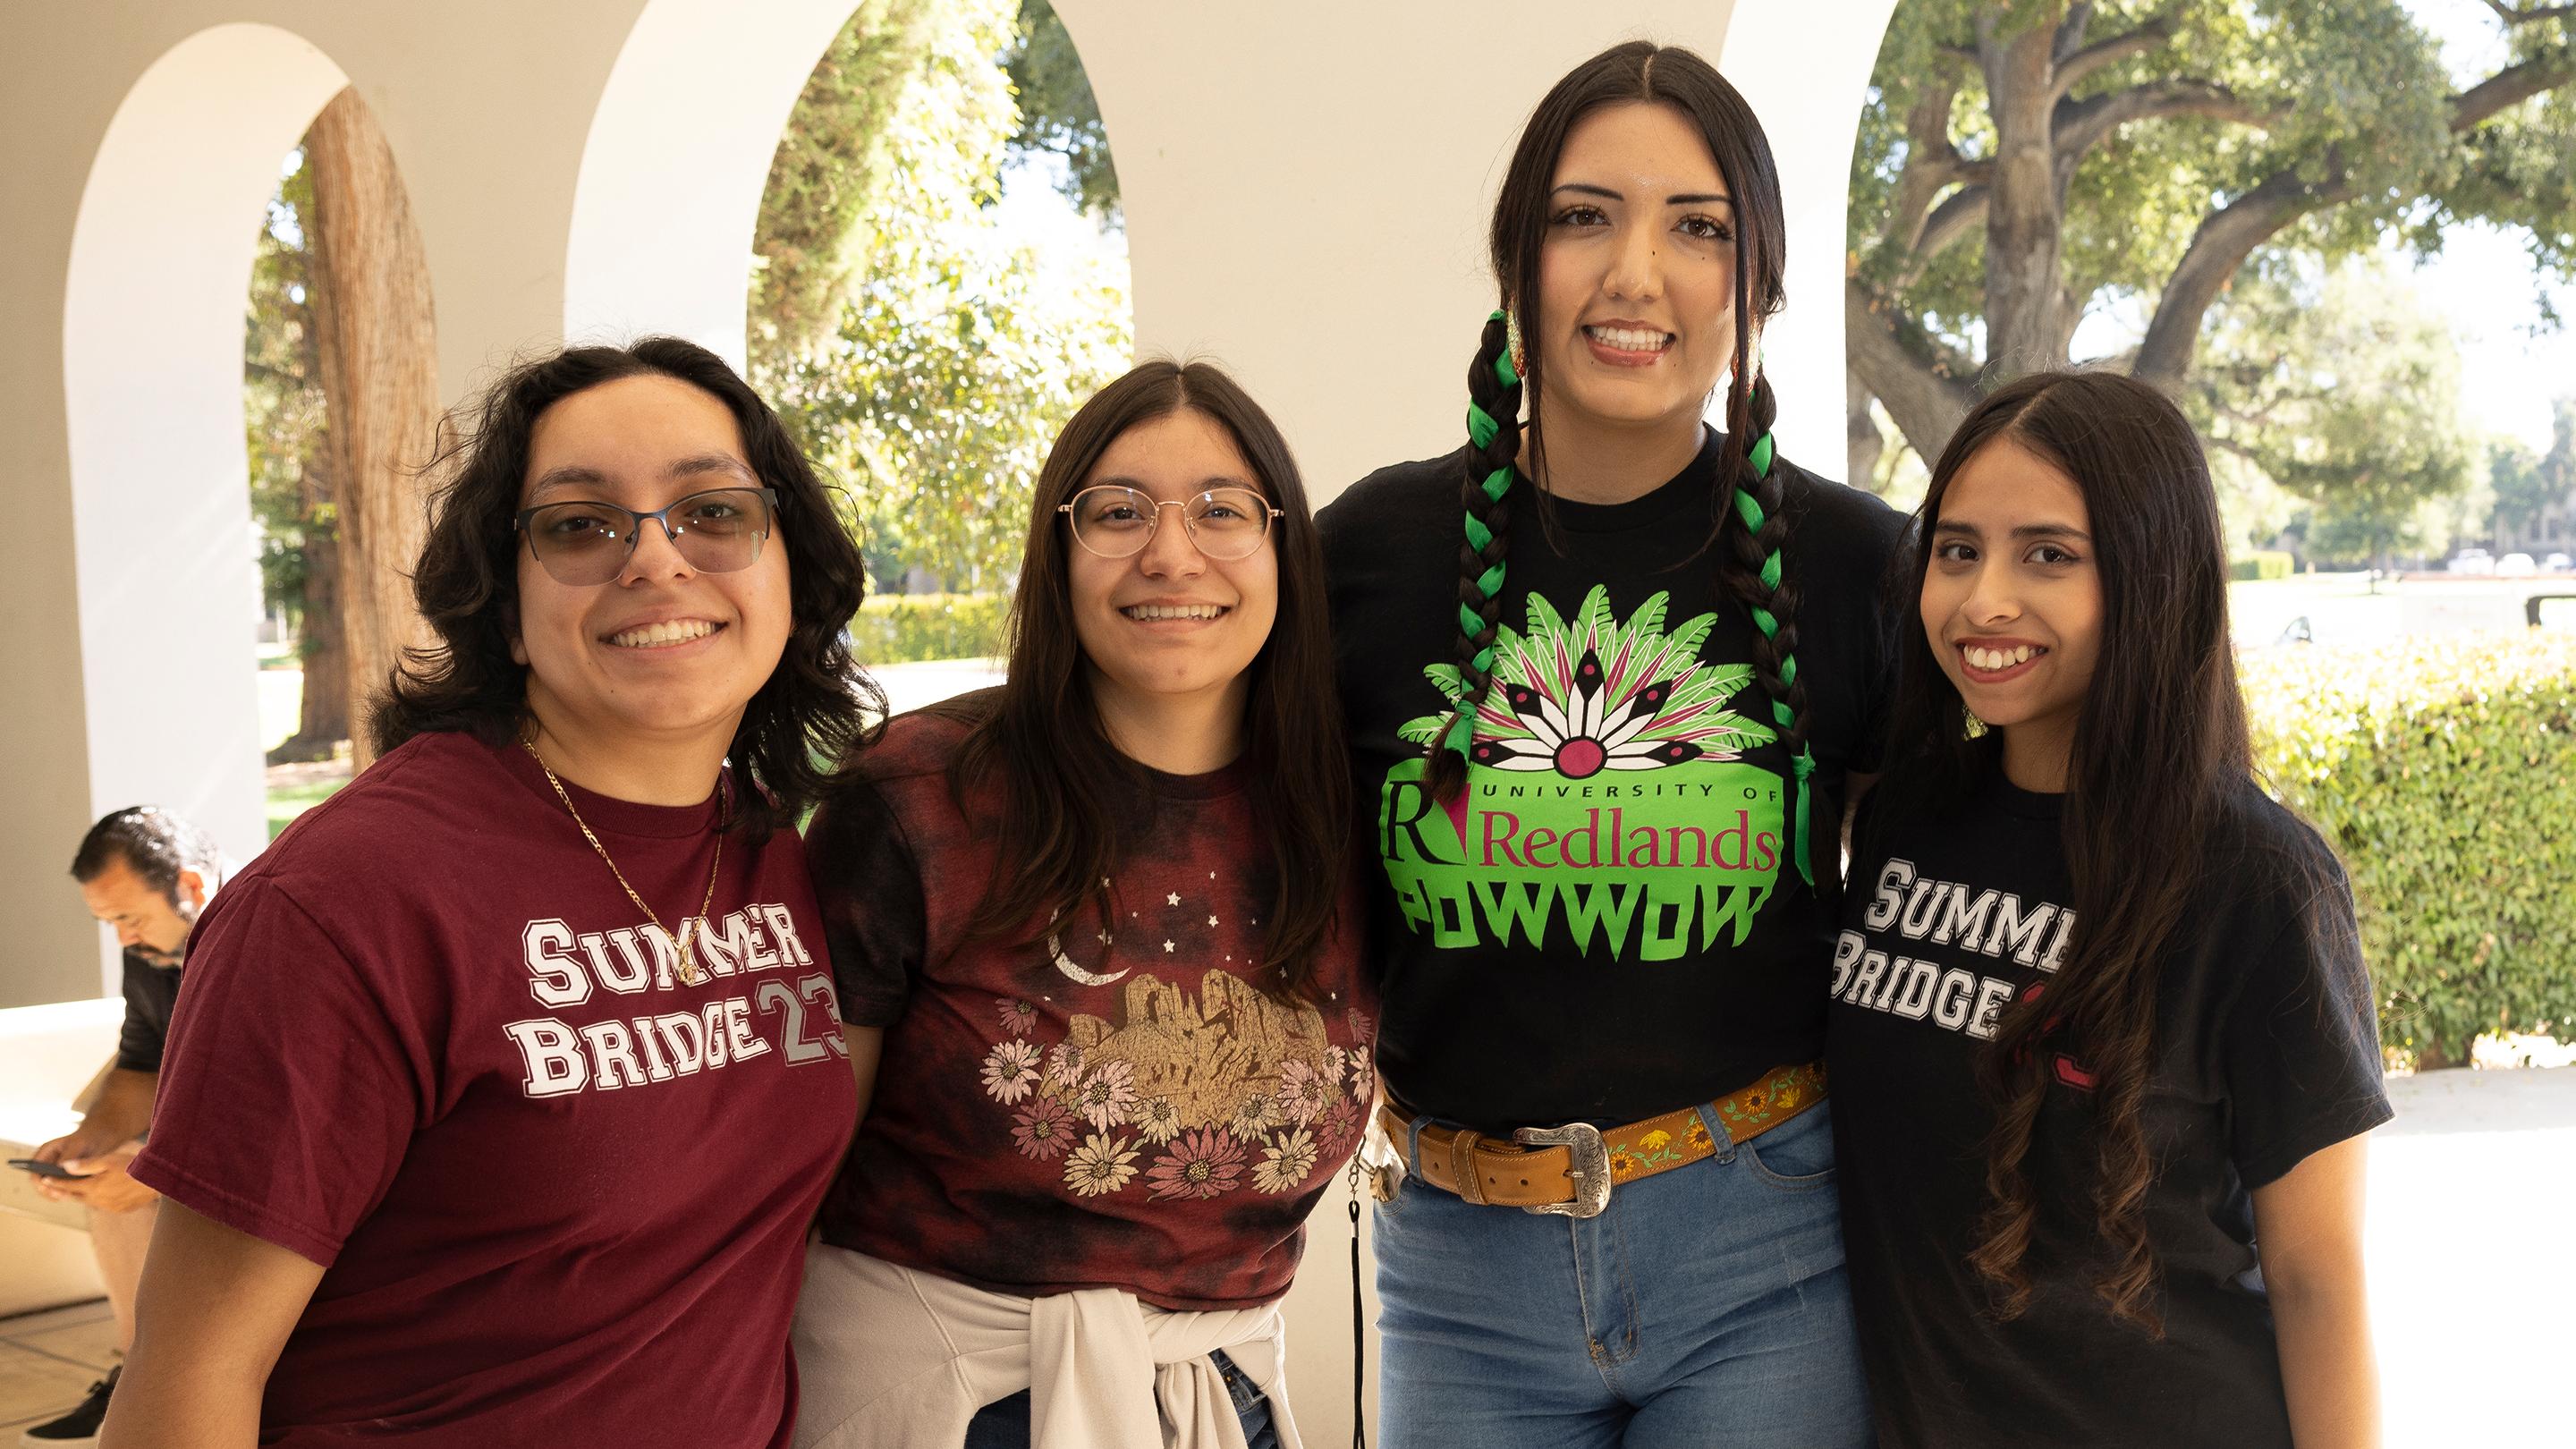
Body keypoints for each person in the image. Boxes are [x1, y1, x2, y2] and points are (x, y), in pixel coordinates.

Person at [98, 338, 877, 1448]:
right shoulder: (348, 905)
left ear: (788, 573)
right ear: (505, 611)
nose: (657, 561)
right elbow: (190, 1382)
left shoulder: (772, 853)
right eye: (579, 526)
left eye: (714, 511)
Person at [1320, 41, 1899, 1448]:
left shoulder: (1857, 567)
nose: (1635, 273)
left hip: (1768, 1247)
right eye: (1585, 216)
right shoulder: (1366, 557)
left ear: (1753, 283)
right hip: (1459, 1264)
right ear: (1517, 260)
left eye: (1698, 228)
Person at [793, 360, 1373, 1449]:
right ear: (1057, 554)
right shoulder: (922, 797)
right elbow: (791, 1167)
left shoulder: (1344, 813)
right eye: (1116, 511)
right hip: (944, 1401)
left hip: (1222, 1403)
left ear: (1284, 549)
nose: (1169, 551)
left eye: (1221, 510)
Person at [1828, 370, 2389, 1447]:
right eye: (1957, 550)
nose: (1985, 599)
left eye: (2049, 554)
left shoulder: (2257, 880)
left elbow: (2318, 1276)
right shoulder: (1907, 818)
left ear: (2151, 573)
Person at [18, 809, 226, 1447]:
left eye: (128, 918)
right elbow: (139, 1067)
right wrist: (95, 1141)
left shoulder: (262, 940)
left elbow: (279, 1108)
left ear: (190, 887)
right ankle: (137, 1372)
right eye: (107, 923)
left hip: (286, 1153)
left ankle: (176, 1386)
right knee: (104, 1164)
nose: (121, 940)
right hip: (218, 1135)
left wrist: (154, 1174)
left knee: (132, 1178)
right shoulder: (152, 953)